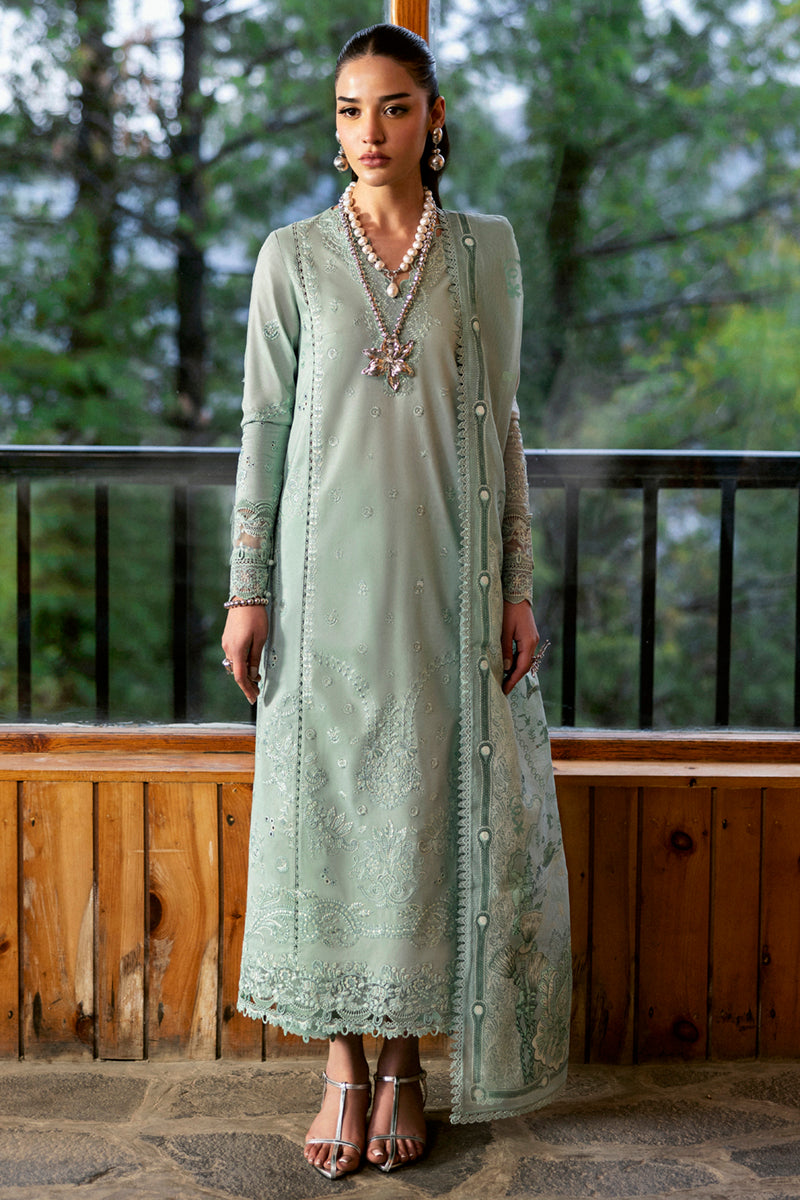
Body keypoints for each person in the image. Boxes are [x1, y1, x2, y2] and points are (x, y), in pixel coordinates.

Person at [221, 22, 571, 1181]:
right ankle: (341, 1065)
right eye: (347, 110)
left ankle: (406, 1062)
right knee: (324, 815)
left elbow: (503, 425)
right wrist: (247, 589)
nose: (367, 132)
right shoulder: (290, 258)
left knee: (421, 816)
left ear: (432, 119)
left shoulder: (482, 252)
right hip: (319, 590)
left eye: (391, 107)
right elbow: (263, 427)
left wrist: (514, 585)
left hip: (442, 587)